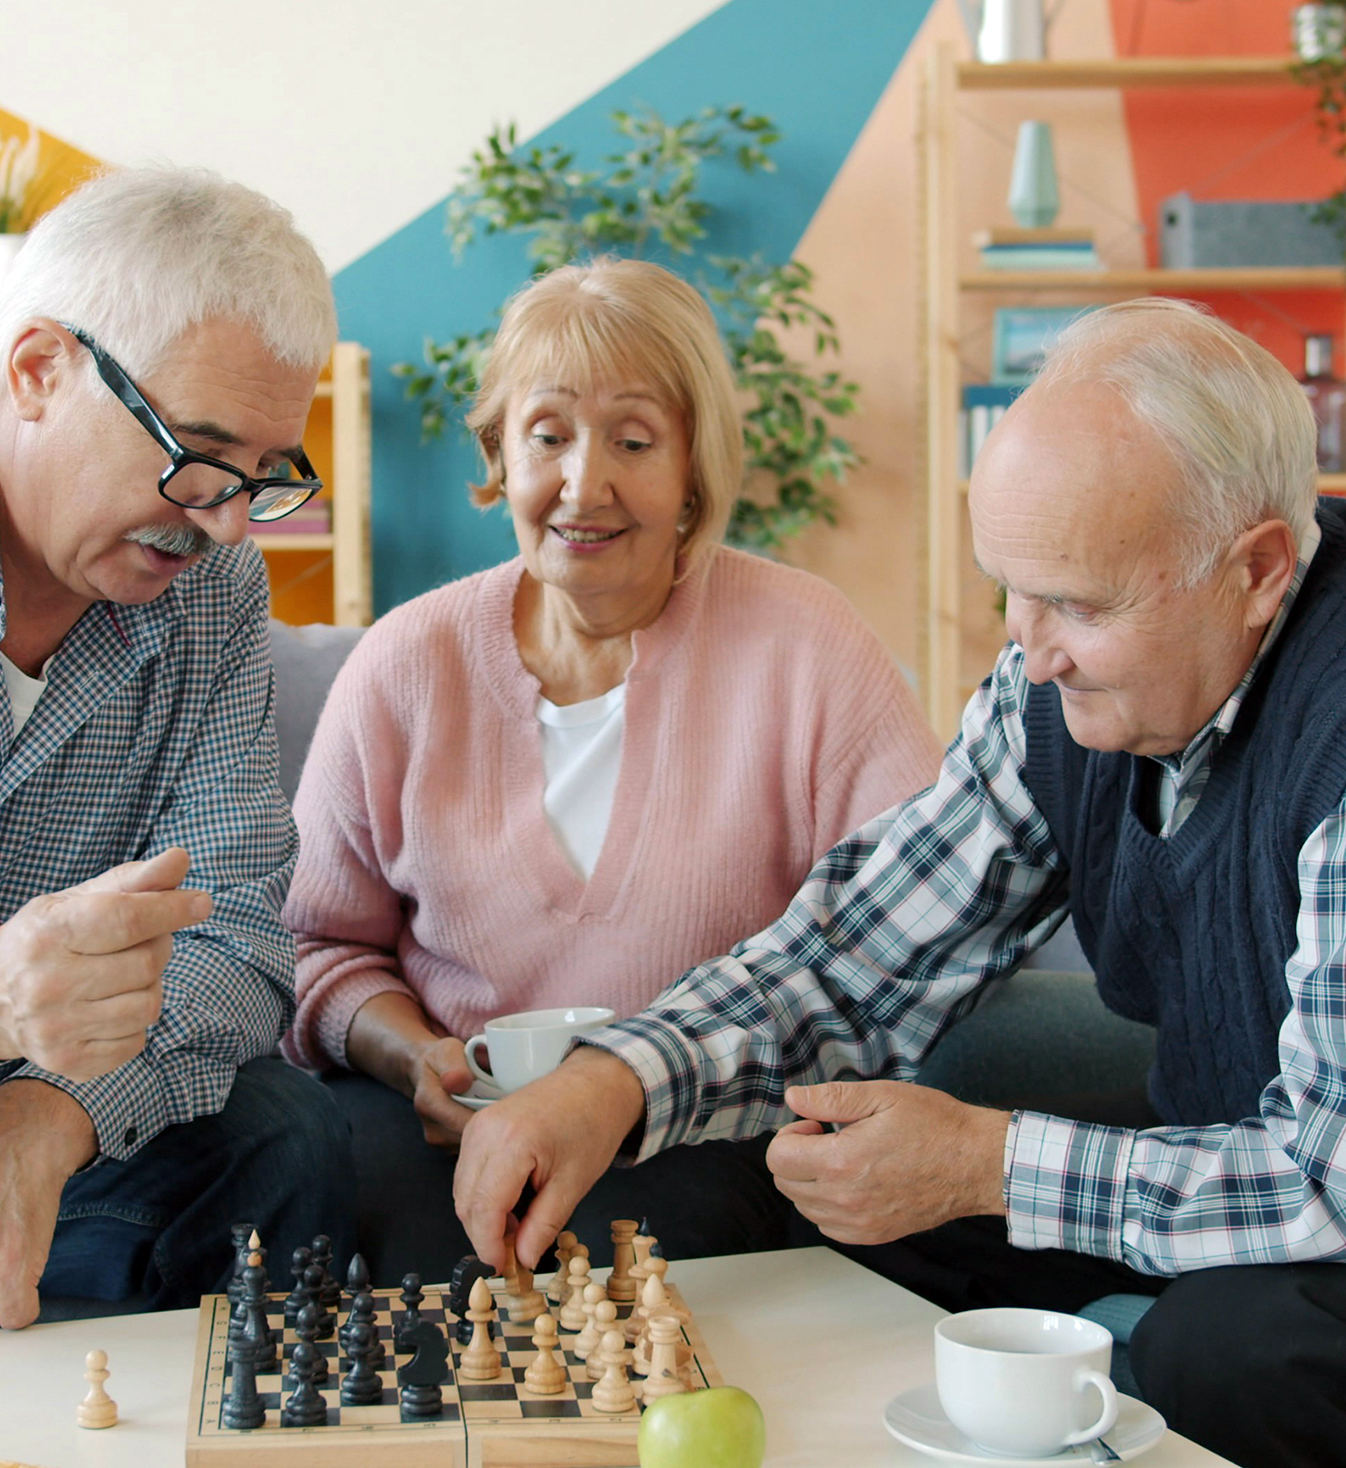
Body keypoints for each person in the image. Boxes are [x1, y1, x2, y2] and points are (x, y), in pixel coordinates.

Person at [452, 298, 1346, 1468]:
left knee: (1231, 1348)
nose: (1032, 648)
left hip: (1311, 1222)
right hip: (1228, 1196)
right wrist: (613, 1080)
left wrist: (986, 1164)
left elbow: (1319, 1184)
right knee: (786, 1199)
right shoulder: (1060, 693)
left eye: (1077, 603)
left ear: (1259, 571)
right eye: (1010, 591)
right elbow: (853, 959)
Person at [282, 257, 941, 1280]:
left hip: (716, 1139)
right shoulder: (408, 664)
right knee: (330, 1197)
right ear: (501, 452)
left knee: (627, 1234)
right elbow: (317, 949)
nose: (584, 484)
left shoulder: (807, 646)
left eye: (634, 441)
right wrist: (414, 1055)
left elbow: (910, 939)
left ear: (693, 470)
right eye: (548, 437)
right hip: (453, 1137)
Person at [0, 167, 356, 1340]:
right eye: (201, 450)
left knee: (279, 1132)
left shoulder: (213, 587)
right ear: (37, 371)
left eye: (264, 473)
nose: (227, 521)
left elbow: (236, 944)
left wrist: (40, 1112)